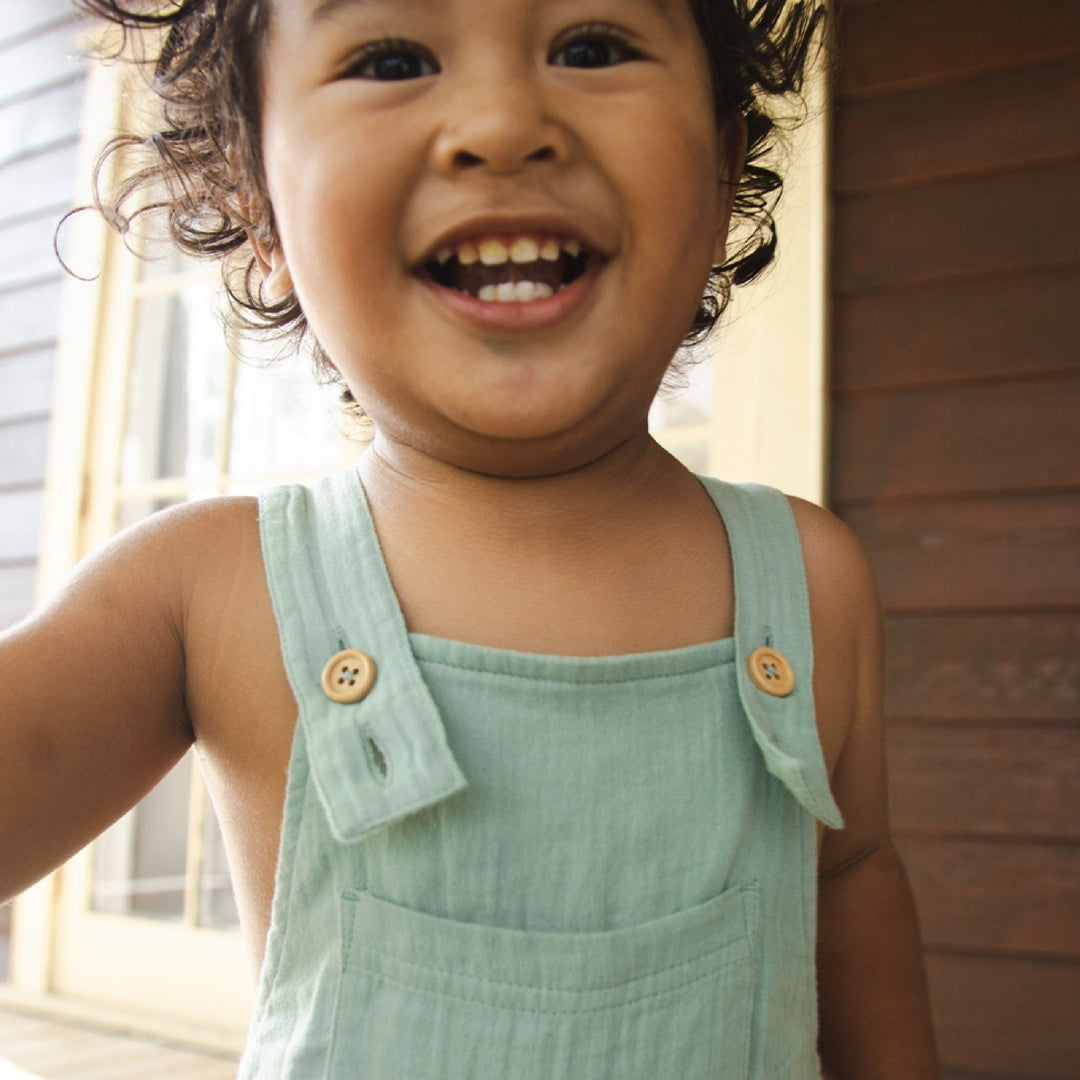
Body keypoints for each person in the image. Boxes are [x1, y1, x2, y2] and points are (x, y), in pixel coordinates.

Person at [1, 0, 941, 1076]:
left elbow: (854, 881)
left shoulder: (811, 584)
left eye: (591, 47)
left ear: (723, 163)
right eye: (391, 58)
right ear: (260, 205)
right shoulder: (211, 592)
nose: (501, 124)